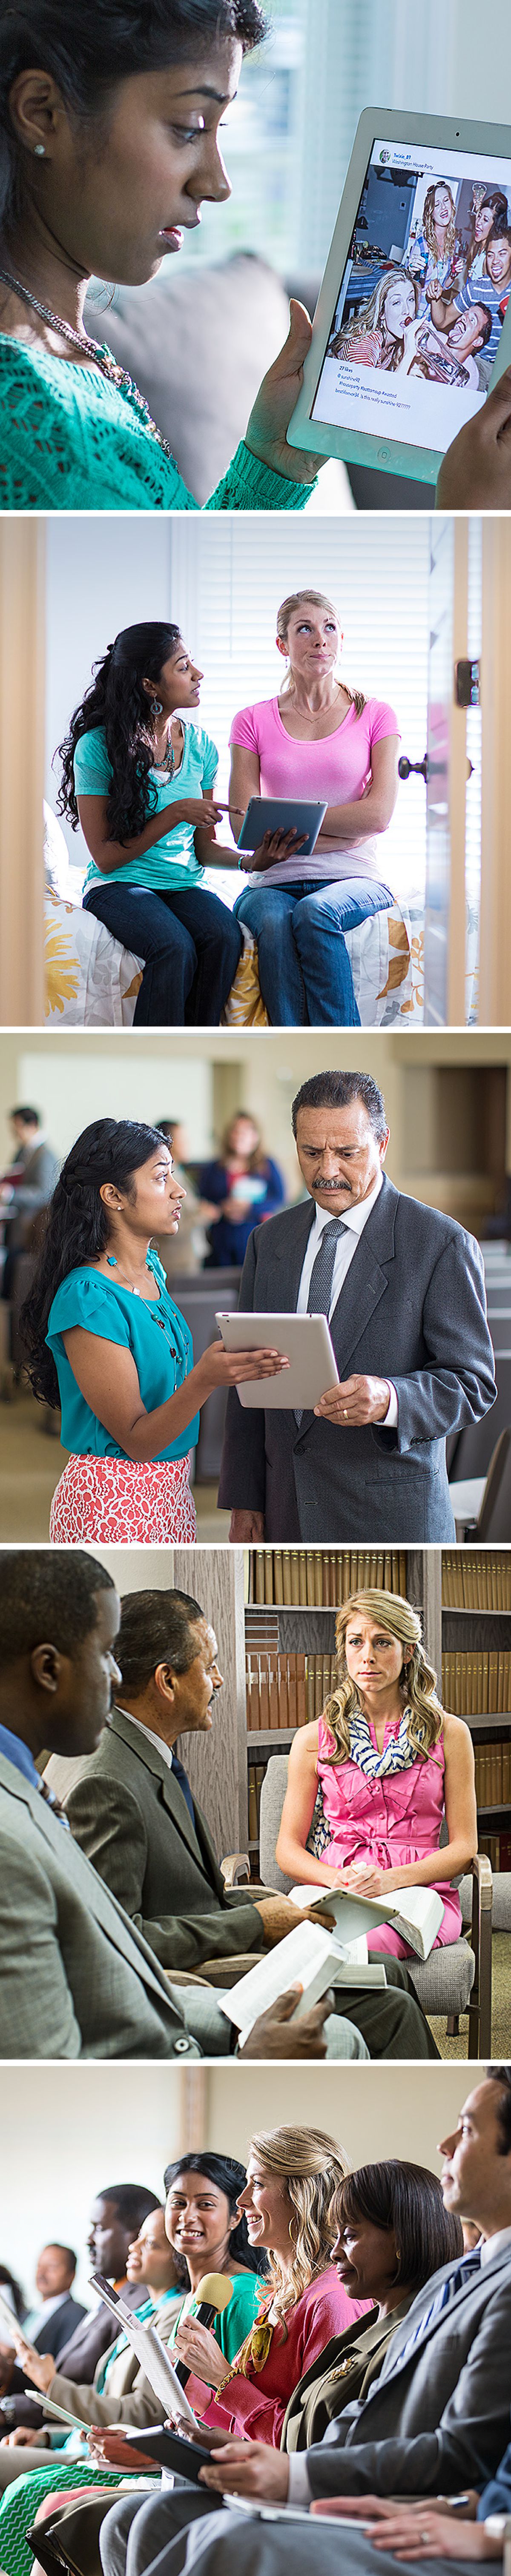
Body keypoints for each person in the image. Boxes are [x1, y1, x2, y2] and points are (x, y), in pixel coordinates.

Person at [0, 1546, 366, 2064]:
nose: (117, 1677)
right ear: (47, 1669)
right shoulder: (22, 1829)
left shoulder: (30, 1781)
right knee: (348, 2035)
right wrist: (247, 2065)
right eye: (105, 1653)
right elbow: (47, 2063)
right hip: (168, 2024)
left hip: (164, 2011)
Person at [53, 1584, 441, 2062]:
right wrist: (257, 1920)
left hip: (225, 1938)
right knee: (394, 2007)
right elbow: (117, 1941)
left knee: (391, 1972)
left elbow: (191, 1897)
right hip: (206, 1972)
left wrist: (267, 1913)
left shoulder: (141, 1750)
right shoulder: (107, 1783)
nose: (218, 1679)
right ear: (167, 1681)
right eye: (210, 1663)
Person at [151, 2067, 511, 2554]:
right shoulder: (455, 2278)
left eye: (467, 2129)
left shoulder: (336, 2300)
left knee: (223, 2540)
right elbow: (353, 2419)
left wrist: (487, 2531)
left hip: (391, 2493)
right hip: (375, 2486)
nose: (445, 2144)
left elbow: (454, 2446)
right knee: (149, 2514)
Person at [0, 0, 322, 514]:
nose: (217, 185)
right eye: (190, 127)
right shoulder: (25, 419)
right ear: (43, 113)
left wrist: (275, 461)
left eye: (221, 129)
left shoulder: (62, 351)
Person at [97, 2154, 466, 2576]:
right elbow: (295, 2425)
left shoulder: (336, 2304)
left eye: (258, 2185)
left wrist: (224, 2382)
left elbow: (327, 2440)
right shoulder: (349, 2317)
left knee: (165, 2522)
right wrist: (207, 2437)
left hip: (316, 2490)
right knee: (127, 2519)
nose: (244, 2200)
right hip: (278, 2469)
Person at [219, 1068, 497, 1546]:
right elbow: (245, 1376)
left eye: (347, 1153)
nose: (327, 1170)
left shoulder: (440, 1242)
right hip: (287, 1509)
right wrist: (246, 1498)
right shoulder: (270, 1240)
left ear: (383, 1143)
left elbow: (473, 1385)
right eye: (311, 1153)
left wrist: (391, 1397)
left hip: (389, 1515)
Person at [20, 1118, 288, 1544]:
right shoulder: (89, 1297)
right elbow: (137, 1440)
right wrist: (206, 1379)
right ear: (113, 1196)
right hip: (112, 1498)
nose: (179, 1191)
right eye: (162, 1178)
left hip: (170, 1489)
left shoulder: (151, 1271)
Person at [57, 625, 244, 1029]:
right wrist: (174, 813)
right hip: (117, 886)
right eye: (183, 667)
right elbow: (105, 859)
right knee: (174, 947)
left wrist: (250, 862)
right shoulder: (98, 747)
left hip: (182, 883)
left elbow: (206, 849)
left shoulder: (201, 747)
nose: (198, 674)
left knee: (226, 936)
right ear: (150, 686)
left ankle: (199, 1048)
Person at [275, 1588, 477, 1960]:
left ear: (409, 1652)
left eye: (383, 1643)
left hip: (419, 1893)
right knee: (298, 1939)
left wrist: (389, 1881)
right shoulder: (312, 1738)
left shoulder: (450, 1734)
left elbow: (465, 1848)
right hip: (339, 1888)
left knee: (344, 1948)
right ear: (345, 1650)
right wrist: (336, 1880)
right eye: (356, 1642)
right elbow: (287, 1849)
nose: (367, 1657)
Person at [229, 589, 399, 1029]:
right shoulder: (251, 720)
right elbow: (242, 823)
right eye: (304, 628)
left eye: (328, 628)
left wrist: (291, 828)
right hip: (272, 880)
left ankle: (344, 1044)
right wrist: (344, 826)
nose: (319, 639)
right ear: (283, 644)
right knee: (272, 917)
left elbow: (378, 816)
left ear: (342, 639)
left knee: (316, 911)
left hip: (356, 876)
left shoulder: (377, 715)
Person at [1, 2191, 172, 2436]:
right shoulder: (107, 2299)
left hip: (78, 2427)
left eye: (100, 2228)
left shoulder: (140, 2305)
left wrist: (10, 2409)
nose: (89, 2240)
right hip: (63, 2428)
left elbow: (90, 2391)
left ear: (133, 2235)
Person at [199, 1116, 285, 1268]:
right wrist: (221, 1208)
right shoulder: (215, 1168)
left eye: (245, 1132)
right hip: (222, 1238)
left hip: (255, 1235)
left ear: (255, 1137)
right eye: (236, 1132)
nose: (240, 1136)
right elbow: (203, 1198)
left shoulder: (267, 1166)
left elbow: (280, 1198)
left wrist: (250, 1208)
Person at [428, 229, 511, 375]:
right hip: (481, 363)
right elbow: (443, 321)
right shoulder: (475, 289)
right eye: (490, 255)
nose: (495, 261)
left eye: (502, 254)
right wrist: (436, 297)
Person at [0, 1107, 59, 1308]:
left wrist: (12, 1194)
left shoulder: (45, 1155)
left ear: (31, 1125)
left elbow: (44, 1192)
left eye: (17, 1127)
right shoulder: (22, 1152)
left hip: (31, 1229)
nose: (14, 1133)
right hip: (17, 1226)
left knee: (19, 1281)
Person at [153, 1126, 214, 1279]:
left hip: (189, 1257)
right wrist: (202, 1215)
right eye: (182, 1140)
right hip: (174, 1262)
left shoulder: (181, 1172)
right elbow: (164, 1222)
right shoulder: (161, 1179)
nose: (188, 1145)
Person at [331, 273, 419, 372]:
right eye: (397, 303)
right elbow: (365, 387)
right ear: (381, 313)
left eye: (411, 300)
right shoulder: (363, 347)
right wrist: (409, 354)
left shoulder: (392, 340)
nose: (407, 311)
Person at [14, 2246, 85, 2362]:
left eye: (52, 2267)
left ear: (72, 2275)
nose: (41, 2273)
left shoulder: (76, 2315)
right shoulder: (28, 2314)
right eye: (39, 2266)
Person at [405, 183, 459, 310]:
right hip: (417, 312)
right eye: (437, 204)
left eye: (446, 201)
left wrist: (453, 274)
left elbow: (445, 287)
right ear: (431, 213)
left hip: (435, 314)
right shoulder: (422, 243)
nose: (444, 207)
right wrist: (411, 271)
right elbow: (409, 284)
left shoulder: (452, 243)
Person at [462, 189, 509, 285]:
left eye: (485, 220)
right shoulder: (479, 246)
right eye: (479, 216)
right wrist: (478, 206)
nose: (478, 223)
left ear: (495, 227)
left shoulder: (490, 260)